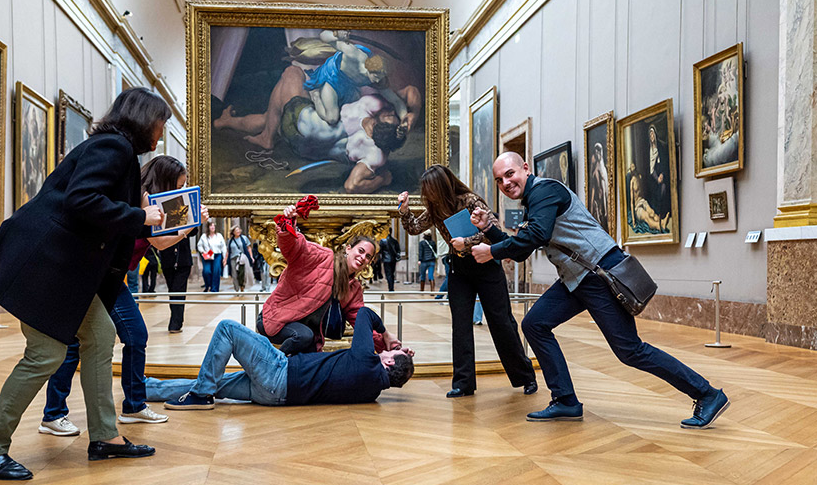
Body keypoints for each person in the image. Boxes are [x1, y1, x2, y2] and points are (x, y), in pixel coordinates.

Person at [0, 87, 171, 480]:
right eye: (160, 124)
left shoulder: (115, 150)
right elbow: (81, 200)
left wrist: (137, 216)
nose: (160, 134)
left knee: (100, 333)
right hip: (44, 265)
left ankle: (105, 438)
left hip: (60, 268)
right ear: (145, 118)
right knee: (45, 354)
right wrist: (140, 216)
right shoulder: (114, 147)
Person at [470, 151, 729, 428]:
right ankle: (565, 400)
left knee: (630, 351)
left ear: (525, 168)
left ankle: (707, 394)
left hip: (598, 274)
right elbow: (525, 243)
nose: (506, 183)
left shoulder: (544, 191)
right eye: (499, 180)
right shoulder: (534, 199)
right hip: (577, 278)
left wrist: (493, 251)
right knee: (535, 323)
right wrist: (490, 229)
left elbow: (536, 237)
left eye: (509, 174)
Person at [38, 156, 209, 436]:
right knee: (78, 343)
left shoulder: (146, 199)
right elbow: (160, 241)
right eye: (180, 184)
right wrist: (191, 226)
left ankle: (131, 406)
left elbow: (158, 236)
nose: (183, 188)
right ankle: (55, 414)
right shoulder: (141, 198)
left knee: (128, 337)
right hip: (100, 276)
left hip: (112, 276)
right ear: (165, 181)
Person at [399, 165, 536, 398]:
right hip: (459, 268)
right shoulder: (434, 208)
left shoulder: (469, 199)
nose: (427, 195)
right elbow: (414, 228)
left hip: (486, 265)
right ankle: (463, 383)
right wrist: (404, 210)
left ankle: (525, 377)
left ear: (442, 185)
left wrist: (467, 242)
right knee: (460, 326)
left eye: (430, 189)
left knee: (501, 322)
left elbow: (492, 230)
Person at [142, 308, 414, 409]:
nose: (386, 350)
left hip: (280, 373)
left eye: (390, 353)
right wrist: (402, 356)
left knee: (227, 329)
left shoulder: (367, 362)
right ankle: (145, 389)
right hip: (277, 397)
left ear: (388, 363)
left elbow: (364, 313)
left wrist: (387, 334)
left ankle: (200, 396)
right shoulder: (372, 393)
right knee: (218, 383)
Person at [213, 64, 421, 194]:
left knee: (292, 72)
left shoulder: (372, 107)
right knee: (272, 116)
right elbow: (411, 92)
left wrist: (383, 180)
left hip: (303, 123)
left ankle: (267, 135)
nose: (392, 113)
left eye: (393, 115)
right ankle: (228, 123)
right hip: (303, 148)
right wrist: (412, 114)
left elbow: (351, 186)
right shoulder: (377, 154)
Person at [257, 202, 394, 356]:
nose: (363, 258)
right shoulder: (322, 256)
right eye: (360, 251)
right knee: (304, 337)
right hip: (277, 319)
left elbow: (361, 322)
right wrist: (287, 225)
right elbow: (294, 248)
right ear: (348, 248)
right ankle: (269, 364)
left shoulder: (353, 288)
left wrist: (386, 346)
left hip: (307, 336)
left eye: (368, 257)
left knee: (309, 364)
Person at [157, 162, 198, 333]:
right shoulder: (162, 203)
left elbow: (194, 230)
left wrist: (188, 223)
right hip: (167, 255)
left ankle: (176, 323)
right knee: (172, 289)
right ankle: (175, 321)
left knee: (179, 290)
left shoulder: (184, 203)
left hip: (183, 257)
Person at [198, 218, 226, 293]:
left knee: (216, 272)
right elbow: (199, 245)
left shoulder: (219, 236)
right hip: (207, 256)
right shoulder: (204, 236)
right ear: (208, 227)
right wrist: (203, 252)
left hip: (217, 255)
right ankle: (208, 285)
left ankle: (214, 289)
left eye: (214, 226)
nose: (212, 227)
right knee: (207, 271)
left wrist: (224, 258)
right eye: (211, 226)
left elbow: (223, 247)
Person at [227, 225, 254, 292]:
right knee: (234, 274)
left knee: (242, 273)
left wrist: (251, 257)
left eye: (239, 230)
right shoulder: (230, 241)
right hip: (233, 258)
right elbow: (228, 251)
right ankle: (236, 288)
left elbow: (249, 248)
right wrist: (225, 260)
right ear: (233, 232)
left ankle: (242, 286)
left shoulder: (244, 238)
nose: (238, 231)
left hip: (242, 259)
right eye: (236, 230)